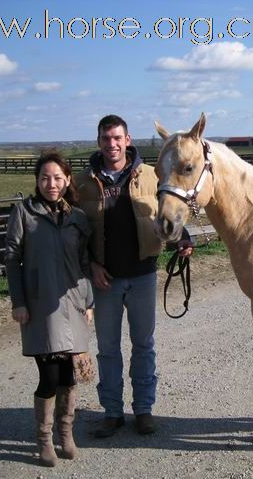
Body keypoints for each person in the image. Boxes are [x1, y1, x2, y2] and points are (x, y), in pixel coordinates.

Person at [75, 115, 193, 438]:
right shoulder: (82, 182)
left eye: (117, 138)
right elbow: (74, 234)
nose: (111, 144)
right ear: (98, 141)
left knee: (143, 345)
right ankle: (112, 412)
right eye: (105, 138)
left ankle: (143, 410)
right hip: (105, 280)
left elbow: (169, 211)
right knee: (108, 349)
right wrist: (91, 266)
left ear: (127, 140)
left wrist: (184, 238)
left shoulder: (151, 177)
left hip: (142, 275)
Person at [5, 152, 94, 467]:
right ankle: (44, 439)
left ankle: (65, 434)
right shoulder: (24, 213)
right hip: (41, 306)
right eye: (45, 178)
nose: (51, 184)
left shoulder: (78, 218)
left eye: (57, 177)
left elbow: (84, 263)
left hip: (73, 304)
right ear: (37, 181)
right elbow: (12, 260)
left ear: (67, 180)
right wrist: (18, 302)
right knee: (49, 375)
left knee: (69, 376)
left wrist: (88, 301)